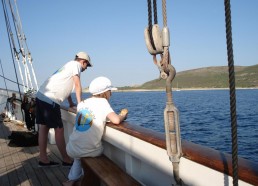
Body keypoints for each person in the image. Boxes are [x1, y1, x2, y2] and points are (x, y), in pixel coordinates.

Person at [63, 76, 128, 186]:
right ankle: (85, 178)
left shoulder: (82, 103)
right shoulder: (103, 102)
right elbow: (116, 120)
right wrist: (123, 115)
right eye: (110, 91)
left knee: (79, 156)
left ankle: (72, 179)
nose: (111, 94)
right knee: (94, 150)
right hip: (90, 151)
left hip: (71, 147)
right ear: (105, 92)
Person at [36, 51, 93, 167]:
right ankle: (66, 160)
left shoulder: (68, 66)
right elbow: (77, 85)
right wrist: (80, 104)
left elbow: (65, 87)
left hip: (41, 95)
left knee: (43, 127)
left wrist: (71, 103)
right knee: (59, 129)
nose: (86, 68)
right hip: (50, 99)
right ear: (84, 62)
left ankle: (43, 159)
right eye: (87, 65)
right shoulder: (76, 66)